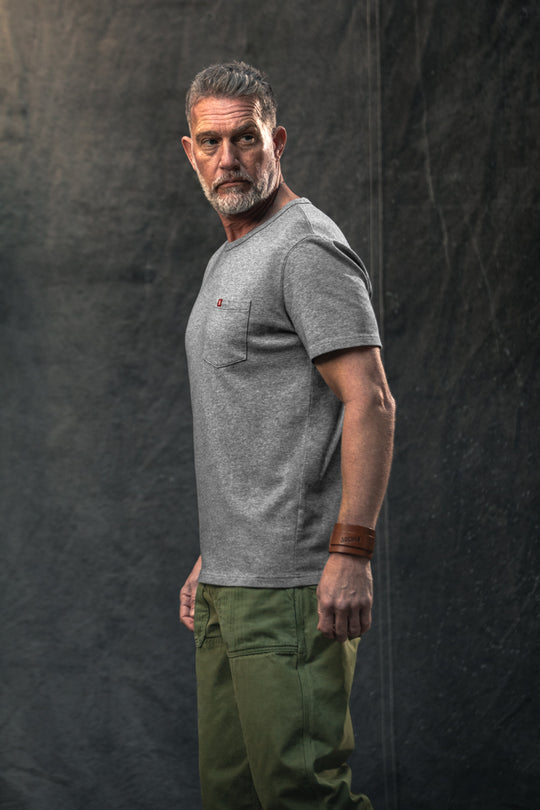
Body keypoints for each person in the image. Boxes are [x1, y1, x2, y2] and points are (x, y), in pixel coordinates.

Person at [179, 61, 395, 810]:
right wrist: (217, 554)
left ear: (277, 141)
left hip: (292, 588)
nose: (229, 159)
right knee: (232, 797)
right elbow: (256, 420)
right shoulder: (231, 255)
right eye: (212, 142)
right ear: (190, 151)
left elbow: (371, 401)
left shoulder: (305, 249)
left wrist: (351, 552)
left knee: (302, 798)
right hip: (232, 583)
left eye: (246, 137)